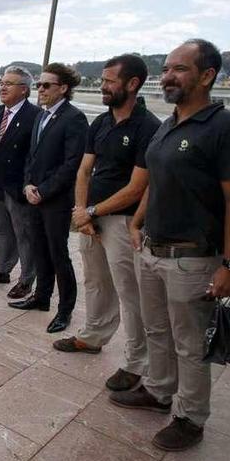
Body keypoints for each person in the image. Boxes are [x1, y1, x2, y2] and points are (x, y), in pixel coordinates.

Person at [110, 39, 230, 452]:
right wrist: (138, 222)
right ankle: (158, 392)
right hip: (152, 250)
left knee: (190, 344)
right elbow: (157, 181)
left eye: (179, 69)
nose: (168, 76)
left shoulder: (226, 129)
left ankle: (191, 418)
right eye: (166, 68)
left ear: (207, 75)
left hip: (192, 258)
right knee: (157, 329)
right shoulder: (168, 124)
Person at [52, 54, 161, 393]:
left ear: (132, 84)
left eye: (110, 80)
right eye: (102, 80)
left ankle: (135, 362)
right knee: (96, 282)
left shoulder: (149, 127)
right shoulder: (100, 123)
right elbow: (85, 170)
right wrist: (82, 210)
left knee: (131, 294)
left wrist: (93, 212)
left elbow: (137, 187)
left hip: (122, 222)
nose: (103, 86)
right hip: (91, 218)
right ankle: (92, 336)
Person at [10, 62, 88, 334]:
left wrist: (43, 190)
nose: (40, 90)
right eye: (39, 85)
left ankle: (65, 310)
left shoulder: (74, 118)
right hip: (34, 196)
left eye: (46, 85)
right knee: (39, 250)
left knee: (58, 255)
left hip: (55, 200)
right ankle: (41, 297)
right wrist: (28, 186)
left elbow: (71, 164)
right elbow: (31, 157)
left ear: (63, 88)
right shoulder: (42, 116)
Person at [0, 65, 40, 299]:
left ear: (24, 90)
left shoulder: (35, 116)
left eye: (9, 84)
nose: (2, 87)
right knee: (3, 230)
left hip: (17, 187)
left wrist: (27, 184)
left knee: (24, 234)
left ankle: (26, 280)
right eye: (1, 83)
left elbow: (34, 156)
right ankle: (3, 270)